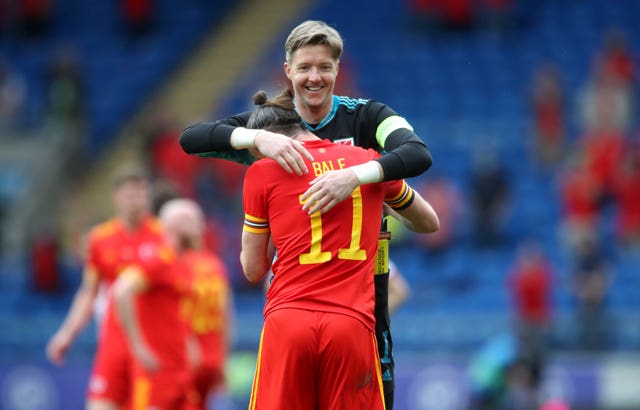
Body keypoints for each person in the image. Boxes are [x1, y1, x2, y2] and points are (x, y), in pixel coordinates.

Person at [180, 20, 433, 408]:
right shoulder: (269, 126)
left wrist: (352, 178)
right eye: (304, 68)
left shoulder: (367, 117)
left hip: (363, 292)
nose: (314, 77)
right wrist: (256, 137)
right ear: (288, 71)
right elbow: (190, 138)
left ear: (337, 69)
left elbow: (418, 153)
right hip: (330, 305)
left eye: (324, 68)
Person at [239, 89, 439, 409]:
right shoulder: (367, 162)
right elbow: (429, 223)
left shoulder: (262, 173)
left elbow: (252, 269)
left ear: (265, 142)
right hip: (351, 325)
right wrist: (380, 206)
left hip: (288, 320)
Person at [46, 166, 164, 410]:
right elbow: (88, 293)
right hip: (114, 341)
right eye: (130, 194)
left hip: (151, 341)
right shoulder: (100, 238)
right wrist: (67, 334)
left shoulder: (162, 235)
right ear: (116, 197)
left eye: (141, 193)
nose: (136, 200)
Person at [111, 198, 201, 409]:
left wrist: (189, 341)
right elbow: (121, 291)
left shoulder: (182, 262)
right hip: (156, 373)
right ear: (178, 225)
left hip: (179, 370)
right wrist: (138, 346)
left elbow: (173, 310)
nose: (201, 228)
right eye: (195, 222)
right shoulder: (158, 259)